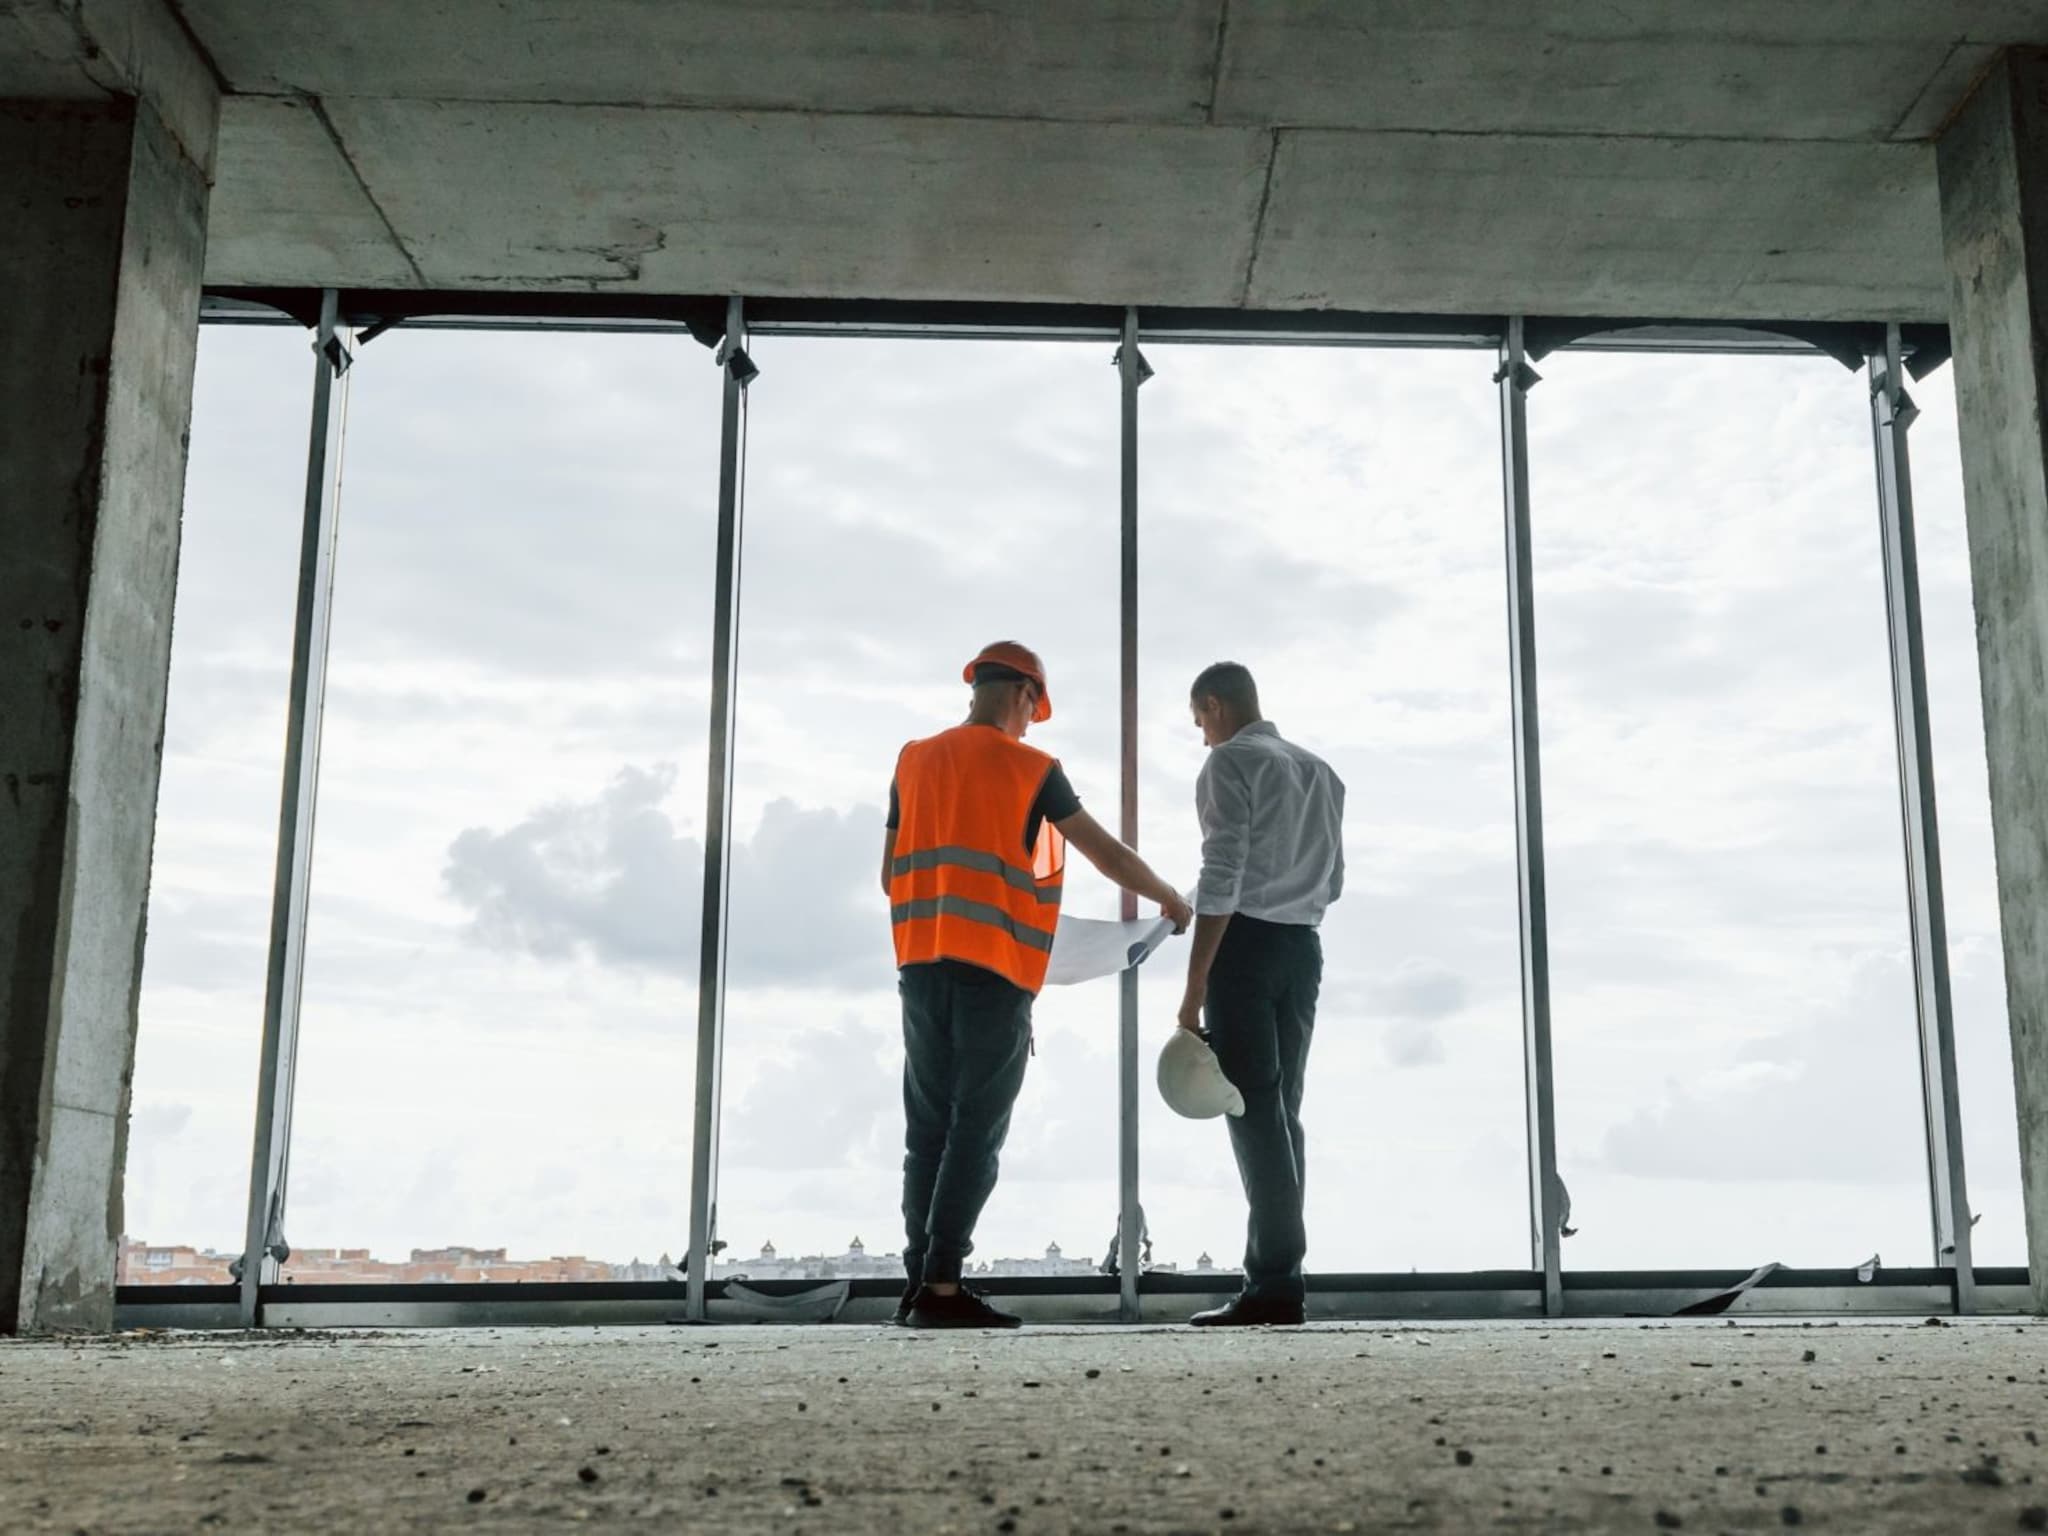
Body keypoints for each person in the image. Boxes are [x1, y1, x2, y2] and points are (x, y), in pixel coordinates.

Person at [884, 641, 1191, 1329]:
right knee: (976, 1132)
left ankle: (916, 1284)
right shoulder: (1032, 768)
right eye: (1033, 709)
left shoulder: (913, 758)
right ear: (1024, 693)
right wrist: (1169, 898)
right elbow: (1104, 851)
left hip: (919, 965)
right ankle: (942, 1287)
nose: (1031, 722)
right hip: (994, 973)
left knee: (925, 1132)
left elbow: (889, 871)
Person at [1175, 661, 1344, 1327]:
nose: (1202, 739)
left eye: (1198, 723)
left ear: (1214, 706)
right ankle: (1278, 1276)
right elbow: (1332, 883)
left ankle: (1274, 1285)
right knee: (1281, 1115)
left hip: (1243, 949)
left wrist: (1191, 993)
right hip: (1302, 949)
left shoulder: (1229, 764)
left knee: (1251, 1113)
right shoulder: (1320, 772)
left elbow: (1222, 876)